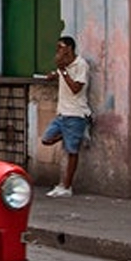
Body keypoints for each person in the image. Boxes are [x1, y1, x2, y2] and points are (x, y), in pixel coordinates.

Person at [41, 35, 92, 198]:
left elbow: (76, 88)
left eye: (60, 47)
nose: (58, 51)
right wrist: (54, 74)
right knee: (46, 139)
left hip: (76, 113)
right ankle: (72, 134)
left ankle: (66, 186)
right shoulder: (64, 66)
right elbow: (59, 76)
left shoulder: (80, 65)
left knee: (71, 152)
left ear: (69, 48)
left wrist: (63, 71)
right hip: (62, 113)